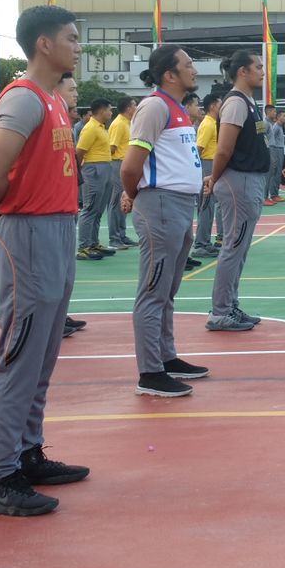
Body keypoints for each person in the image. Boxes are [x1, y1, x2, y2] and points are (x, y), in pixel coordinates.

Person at [0, 5, 89, 517]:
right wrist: (1, 202)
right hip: (30, 235)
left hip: (58, 228)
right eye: (72, 38)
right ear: (44, 43)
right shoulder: (24, 98)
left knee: (42, 354)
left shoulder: (54, 99)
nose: (78, 47)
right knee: (20, 356)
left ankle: (27, 452)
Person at [119, 45, 210, 397]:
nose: (194, 70)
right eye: (188, 65)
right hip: (160, 203)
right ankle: (150, 372)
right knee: (153, 289)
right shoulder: (155, 106)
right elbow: (131, 166)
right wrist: (136, 194)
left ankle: (166, 356)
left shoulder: (177, 108)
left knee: (167, 288)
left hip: (179, 205)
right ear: (169, 74)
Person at [204, 49, 268, 333]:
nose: (262, 71)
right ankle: (220, 312)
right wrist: (215, 178)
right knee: (233, 246)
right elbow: (224, 149)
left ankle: (230, 304)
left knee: (239, 248)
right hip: (238, 181)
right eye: (258, 67)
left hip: (248, 180)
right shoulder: (235, 103)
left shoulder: (248, 101)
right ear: (243, 71)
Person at [75, 99, 114, 260]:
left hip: (104, 168)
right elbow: (79, 151)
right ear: (102, 111)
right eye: (109, 109)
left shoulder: (101, 127)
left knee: (98, 209)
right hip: (94, 170)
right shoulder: (90, 128)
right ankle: (83, 247)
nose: (111, 112)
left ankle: (93, 243)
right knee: (90, 208)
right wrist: (78, 172)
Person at [191, 92, 223, 259]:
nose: (222, 107)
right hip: (206, 166)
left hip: (212, 165)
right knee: (205, 206)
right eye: (220, 104)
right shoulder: (208, 124)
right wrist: (197, 171)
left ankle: (205, 242)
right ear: (212, 106)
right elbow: (199, 149)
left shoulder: (214, 123)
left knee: (209, 207)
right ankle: (200, 244)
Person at [106, 96, 137, 250]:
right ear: (128, 108)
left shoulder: (127, 123)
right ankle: (114, 238)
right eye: (134, 105)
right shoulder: (118, 124)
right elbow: (112, 147)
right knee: (116, 201)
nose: (136, 108)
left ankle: (122, 235)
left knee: (124, 200)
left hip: (124, 164)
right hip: (117, 163)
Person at [263, 104, 285, 204]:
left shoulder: (271, 124)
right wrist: (265, 149)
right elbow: (260, 136)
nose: (275, 114)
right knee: (269, 173)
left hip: (273, 149)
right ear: (268, 112)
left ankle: (272, 195)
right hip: (270, 149)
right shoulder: (264, 123)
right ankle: (264, 197)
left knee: (274, 172)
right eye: (274, 112)